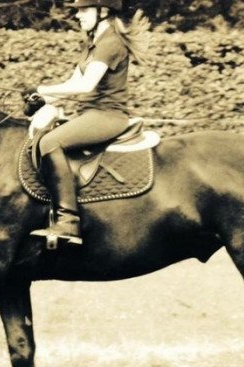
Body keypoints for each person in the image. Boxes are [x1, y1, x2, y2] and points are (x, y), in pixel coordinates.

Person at [29, 0, 150, 246]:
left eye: (84, 10)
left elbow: (85, 86)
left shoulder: (111, 42)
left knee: (51, 142)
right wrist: (40, 98)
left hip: (107, 116)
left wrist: (41, 89)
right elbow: (72, 83)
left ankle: (68, 221)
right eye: (77, 10)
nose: (78, 16)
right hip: (88, 114)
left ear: (103, 11)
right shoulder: (92, 43)